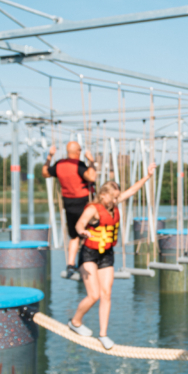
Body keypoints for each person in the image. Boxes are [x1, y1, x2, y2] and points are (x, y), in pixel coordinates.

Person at [68, 172, 152, 349]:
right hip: (89, 254)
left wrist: (147, 176)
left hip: (107, 254)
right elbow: (79, 223)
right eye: (113, 198)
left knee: (106, 294)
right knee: (94, 295)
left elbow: (132, 191)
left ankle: (103, 334)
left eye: (117, 198)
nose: (116, 201)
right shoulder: (94, 208)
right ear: (104, 195)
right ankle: (75, 322)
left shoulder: (112, 205)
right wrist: (82, 231)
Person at [42, 141, 98, 276]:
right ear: (78, 152)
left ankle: (70, 264)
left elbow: (45, 173)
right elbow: (91, 176)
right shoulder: (78, 165)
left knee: (74, 236)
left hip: (69, 204)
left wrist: (49, 156)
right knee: (87, 233)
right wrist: (91, 162)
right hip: (84, 204)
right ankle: (85, 262)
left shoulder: (59, 164)